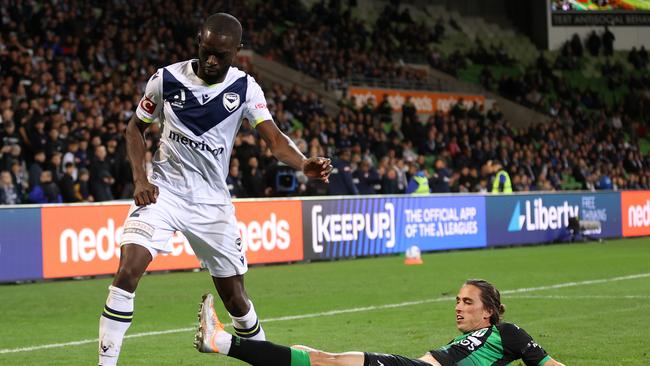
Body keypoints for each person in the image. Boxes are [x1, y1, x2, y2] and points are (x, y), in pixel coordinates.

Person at [97, 12, 333, 366]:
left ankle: (264, 358)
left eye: (220, 55)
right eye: (206, 50)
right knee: (128, 269)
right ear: (198, 41)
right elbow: (135, 128)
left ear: (237, 51)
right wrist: (141, 178)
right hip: (164, 193)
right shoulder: (166, 79)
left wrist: (303, 163)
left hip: (212, 205)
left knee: (236, 300)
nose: (210, 60)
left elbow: (274, 139)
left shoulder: (245, 88)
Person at [194, 279, 565, 366]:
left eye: (467, 302)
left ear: (489, 311)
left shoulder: (507, 334)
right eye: (456, 301)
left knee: (330, 361)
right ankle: (224, 342)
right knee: (310, 355)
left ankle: (222, 342)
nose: (458, 308)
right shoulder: (476, 341)